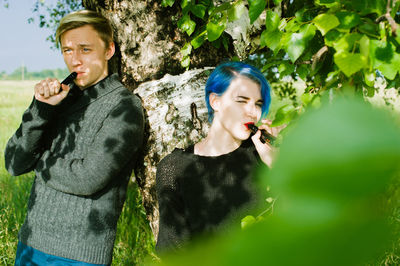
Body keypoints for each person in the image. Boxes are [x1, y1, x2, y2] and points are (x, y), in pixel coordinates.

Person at [4, 10, 144, 265]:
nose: (75, 60)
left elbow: (87, 177)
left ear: (109, 50)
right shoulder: (59, 100)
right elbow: (14, 163)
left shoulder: (124, 108)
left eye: (85, 49)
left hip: (79, 256)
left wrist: (39, 160)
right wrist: (41, 109)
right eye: (67, 50)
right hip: (30, 244)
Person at [156, 61, 276, 253]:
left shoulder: (262, 155)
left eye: (258, 104)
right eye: (242, 101)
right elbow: (173, 252)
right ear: (215, 101)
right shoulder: (174, 167)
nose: (253, 112)